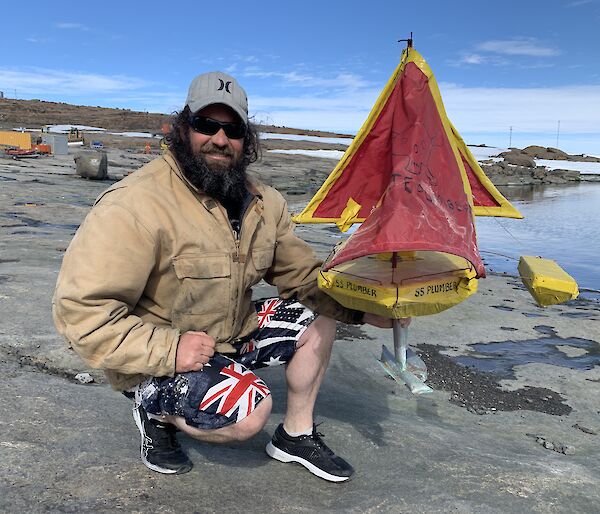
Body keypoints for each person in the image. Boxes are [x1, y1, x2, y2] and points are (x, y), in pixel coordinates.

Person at [53, 71, 397, 483]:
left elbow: (303, 278)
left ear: (245, 137)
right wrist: (169, 349)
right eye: (206, 125)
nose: (220, 138)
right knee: (250, 414)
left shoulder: (263, 202)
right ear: (183, 128)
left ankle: (295, 436)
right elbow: (82, 312)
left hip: (232, 334)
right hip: (160, 353)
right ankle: (154, 408)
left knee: (317, 313)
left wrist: (364, 309)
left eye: (232, 128)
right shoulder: (134, 205)